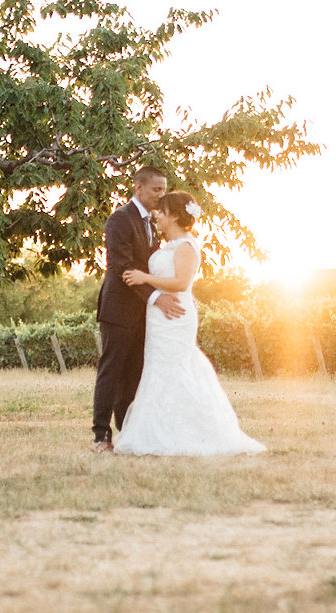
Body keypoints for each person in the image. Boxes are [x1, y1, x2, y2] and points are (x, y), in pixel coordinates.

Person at [113, 191, 266, 457]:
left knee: (175, 368)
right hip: (159, 318)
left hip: (176, 318)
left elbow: (181, 283)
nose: (157, 216)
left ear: (172, 214)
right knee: (157, 368)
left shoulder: (186, 245)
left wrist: (144, 277)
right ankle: (156, 430)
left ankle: (192, 432)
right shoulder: (168, 246)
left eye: (161, 211)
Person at [92, 166, 174, 451]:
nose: (160, 195)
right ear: (138, 187)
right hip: (119, 308)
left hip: (144, 313)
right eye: (156, 189)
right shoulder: (119, 220)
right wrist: (156, 298)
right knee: (112, 370)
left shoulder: (152, 222)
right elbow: (122, 267)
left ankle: (127, 432)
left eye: (163, 190)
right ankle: (101, 435)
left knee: (135, 373)